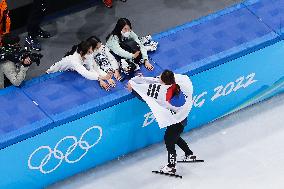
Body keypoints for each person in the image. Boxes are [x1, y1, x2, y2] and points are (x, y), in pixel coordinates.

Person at [127, 70, 194, 174]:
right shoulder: (178, 83)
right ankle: (189, 154)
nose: (158, 77)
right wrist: (142, 79)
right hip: (182, 118)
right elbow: (155, 81)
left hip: (176, 121)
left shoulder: (163, 93)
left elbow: (146, 97)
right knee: (175, 138)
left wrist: (133, 90)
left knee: (169, 141)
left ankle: (172, 166)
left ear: (163, 80)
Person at [46, 41, 113, 91]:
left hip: (68, 73)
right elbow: (85, 73)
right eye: (89, 52)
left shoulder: (87, 55)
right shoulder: (74, 60)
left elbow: (91, 68)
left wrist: (101, 79)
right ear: (81, 52)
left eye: (91, 50)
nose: (91, 53)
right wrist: (102, 78)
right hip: (53, 74)